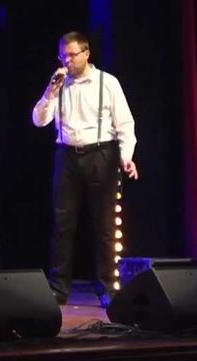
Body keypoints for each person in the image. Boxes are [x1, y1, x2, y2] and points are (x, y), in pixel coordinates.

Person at [31, 31, 137, 308]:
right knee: (62, 225)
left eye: (72, 55)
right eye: (62, 56)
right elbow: (39, 121)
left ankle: (107, 287)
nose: (67, 61)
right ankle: (58, 288)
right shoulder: (59, 85)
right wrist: (50, 91)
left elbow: (125, 124)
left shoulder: (107, 82)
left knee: (104, 225)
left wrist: (125, 157)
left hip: (101, 154)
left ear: (86, 54)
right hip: (66, 156)